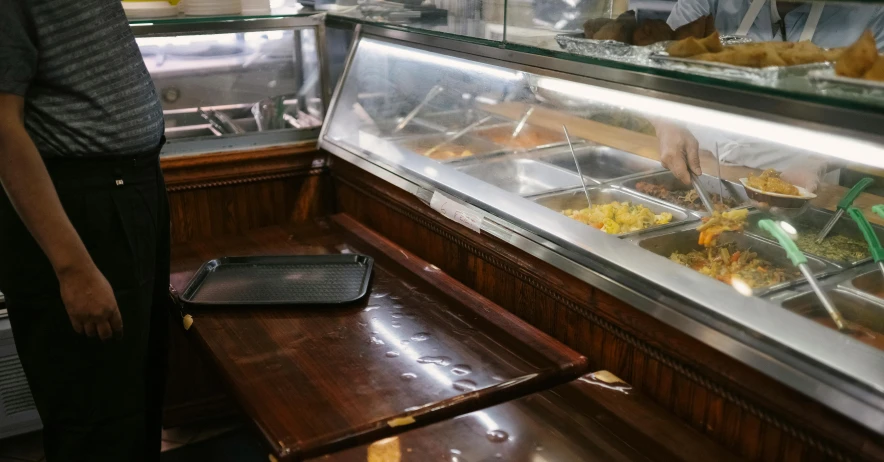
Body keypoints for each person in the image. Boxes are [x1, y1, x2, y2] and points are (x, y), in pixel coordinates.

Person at [0, 0, 170, 460]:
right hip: (82, 209)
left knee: (135, 398)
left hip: (127, 192)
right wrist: (73, 269)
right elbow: (2, 130)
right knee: (97, 420)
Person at [658, 1, 884, 189]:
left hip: (799, 179)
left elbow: (875, 116)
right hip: (701, 160)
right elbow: (658, 68)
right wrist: (666, 124)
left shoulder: (872, 10)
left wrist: (819, 162)